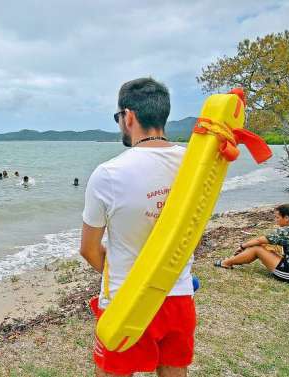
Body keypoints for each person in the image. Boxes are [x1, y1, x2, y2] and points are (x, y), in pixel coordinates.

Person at [80, 78, 194, 377]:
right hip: (178, 294)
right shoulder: (195, 165)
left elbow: (89, 250)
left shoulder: (109, 174)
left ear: (128, 116)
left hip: (125, 298)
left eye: (119, 118)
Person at [214, 204, 289, 283]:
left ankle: (226, 263)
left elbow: (258, 241)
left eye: (277, 217)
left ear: (286, 218)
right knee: (267, 246)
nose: (276, 220)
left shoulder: (286, 231)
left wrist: (242, 246)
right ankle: (234, 259)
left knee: (256, 248)